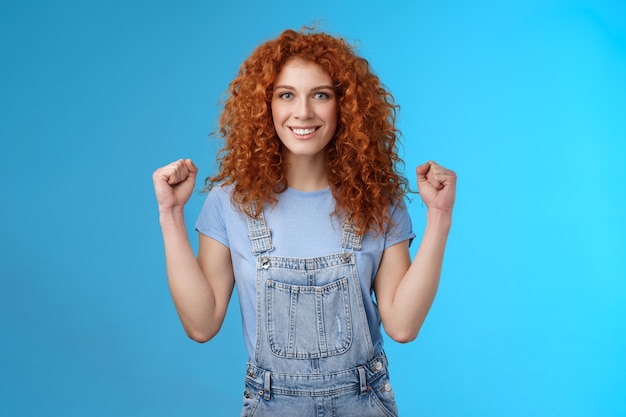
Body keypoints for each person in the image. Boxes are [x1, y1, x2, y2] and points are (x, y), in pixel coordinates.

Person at [152, 28, 456, 417]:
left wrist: (440, 217)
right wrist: (171, 215)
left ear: (344, 106)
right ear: (266, 106)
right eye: (286, 95)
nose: (303, 112)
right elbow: (201, 324)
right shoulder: (231, 203)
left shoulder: (377, 203)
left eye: (321, 95)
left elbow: (403, 326)